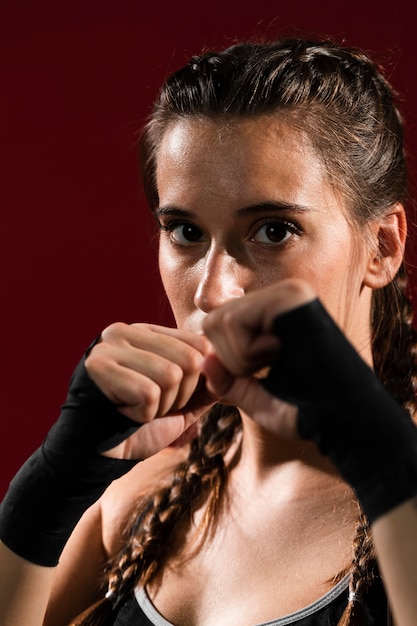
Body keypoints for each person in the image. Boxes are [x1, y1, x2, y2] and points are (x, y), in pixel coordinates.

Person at [1, 36, 417, 626]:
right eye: (186, 233)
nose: (213, 291)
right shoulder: (137, 505)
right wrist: (46, 492)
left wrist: (384, 457)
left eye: (274, 230)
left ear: (382, 247)